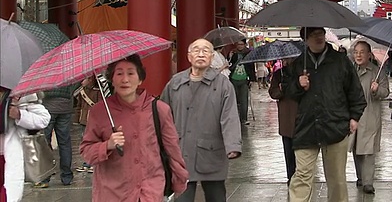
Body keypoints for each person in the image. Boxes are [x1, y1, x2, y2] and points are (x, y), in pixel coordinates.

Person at [80, 54, 188, 202]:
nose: (125, 79)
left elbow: (172, 150)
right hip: (113, 194)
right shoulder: (99, 112)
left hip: (150, 192)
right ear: (112, 79)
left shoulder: (159, 109)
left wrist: (179, 181)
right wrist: (107, 145)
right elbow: (86, 151)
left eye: (131, 73)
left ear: (140, 79)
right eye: (119, 73)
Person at [285, 27, 367, 202]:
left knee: (336, 179)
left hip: (335, 125)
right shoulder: (299, 63)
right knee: (302, 175)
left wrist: (354, 116)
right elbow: (287, 92)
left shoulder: (340, 61)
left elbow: (355, 91)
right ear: (305, 39)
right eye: (313, 35)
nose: (319, 37)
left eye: (321, 33)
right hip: (306, 126)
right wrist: (298, 85)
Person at [161, 38, 242, 202]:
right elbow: (162, 114)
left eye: (206, 51)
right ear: (189, 56)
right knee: (182, 197)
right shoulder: (175, 82)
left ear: (212, 57)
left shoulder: (223, 85)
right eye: (196, 50)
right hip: (181, 151)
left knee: (216, 196)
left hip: (211, 150)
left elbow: (230, 116)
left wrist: (232, 145)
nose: (201, 54)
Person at [349, 41, 389, 194]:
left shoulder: (376, 72)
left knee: (369, 149)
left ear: (369, 54)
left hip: (370, 115)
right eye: (356, 52)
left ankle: (368, 182)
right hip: (354, 115)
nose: (358, 55)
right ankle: (360, 176)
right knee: (356, 147)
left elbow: (385, 92)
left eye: (362, 52)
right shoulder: (350, 71)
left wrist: (377, 89)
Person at [2, 90, 51, 202]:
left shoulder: (24, 96)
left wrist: (19, 114)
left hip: (10, 156)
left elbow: (44, 119)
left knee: (11, 195)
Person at [35, 84, 78, 188]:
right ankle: (67, 176)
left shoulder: (45, 70)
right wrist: (69, 93)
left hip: (48, 106)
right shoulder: (69, 69)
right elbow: (78, 82)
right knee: (65, 143)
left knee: (45, 143)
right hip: (66, 107)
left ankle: (45, 177)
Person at [267, 58, 297, 184]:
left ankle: (301, 176)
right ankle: (290, 175)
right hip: (285, 117)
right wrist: (281, 90)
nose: (287, 61)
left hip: (301, 117)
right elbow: (273, 92)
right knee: (288, 150)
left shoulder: (302, 72)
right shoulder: (279, 74)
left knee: (302, 152)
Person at [228, 39, 256, 125]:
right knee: (234, 100)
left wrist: (252, 79)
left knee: (244, 100)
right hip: (233, 79)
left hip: (244, 79)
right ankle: (235, 118)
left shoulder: (248, 53)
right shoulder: (233, 53)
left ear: (244, 45)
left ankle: (244, 118)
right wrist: (229, 57)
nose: (240, 46)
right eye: (238, 44)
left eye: (242, 44)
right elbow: (228, 65)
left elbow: (251, 66)